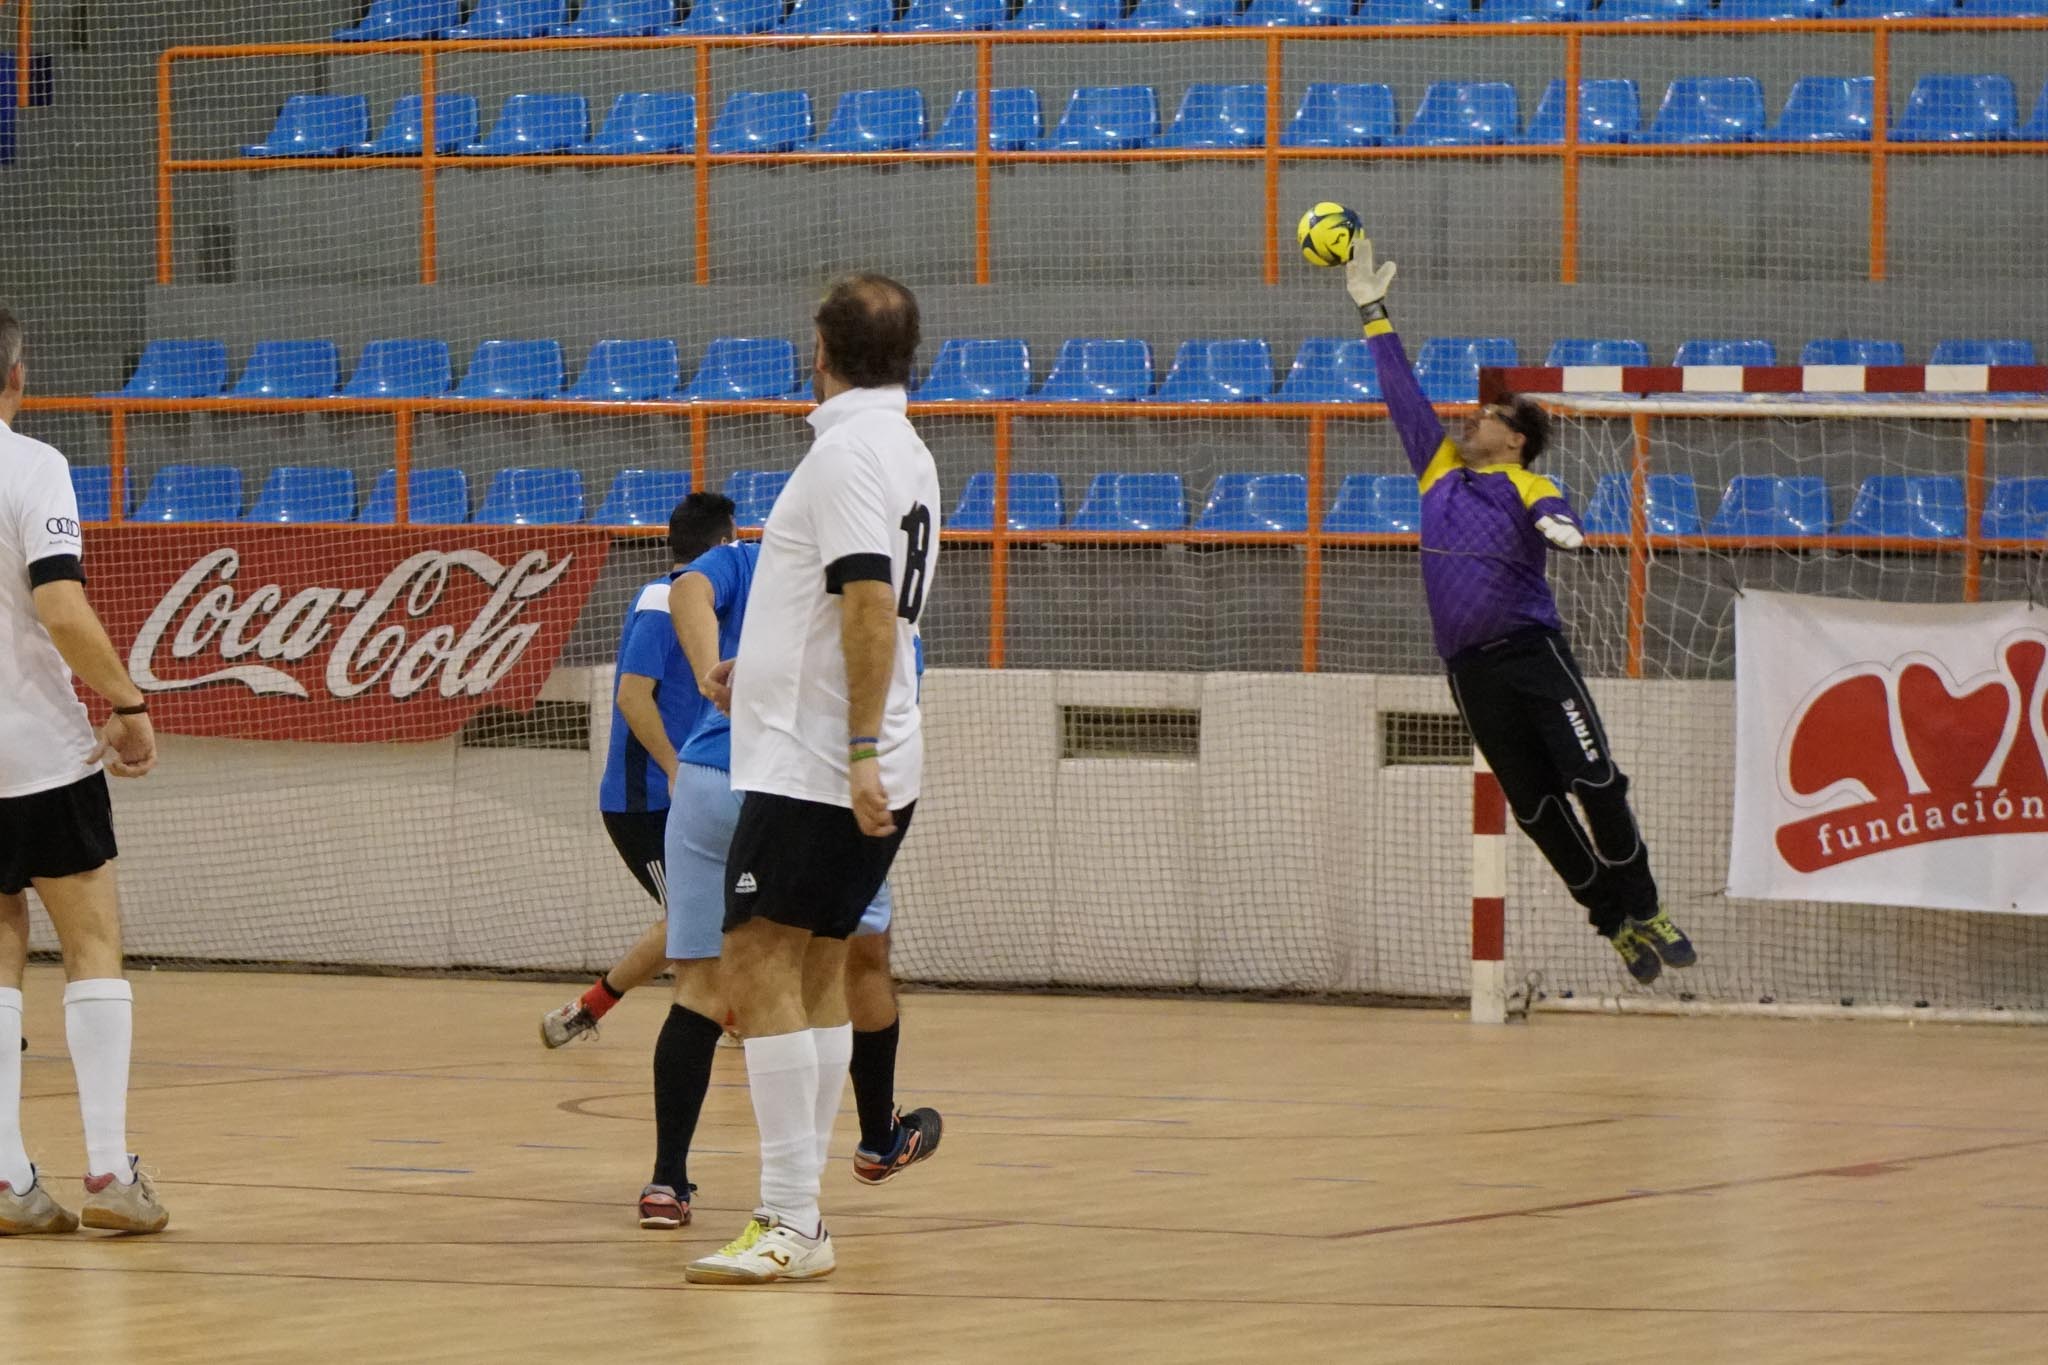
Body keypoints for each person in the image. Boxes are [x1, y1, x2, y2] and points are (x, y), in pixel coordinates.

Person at [1341, 243, 1698, 985]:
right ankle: (1614, 922)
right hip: (1469, 673)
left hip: (1534, 654)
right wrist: (1373, 313)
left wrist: (1563, 526)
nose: (1474, 419)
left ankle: (1648, 904)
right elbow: (1401, 393)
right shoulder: (1439, 473)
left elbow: (1554, 508)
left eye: (1492, 417)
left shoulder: (1526, 484)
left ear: (1518, 440)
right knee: (1537, 811)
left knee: (1595, 781)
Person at [685, 273, 939, 1285]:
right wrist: (770, 665)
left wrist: (860, 748)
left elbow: (871, 608)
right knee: (821, 965)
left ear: (817, 348)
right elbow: (847, 606)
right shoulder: (903, 446)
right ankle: (799, 1217)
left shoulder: (843, 454)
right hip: (851, 743)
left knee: (752, 959)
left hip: (823, 760)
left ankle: (789, 1219)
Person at [638, 526, 938, 1232]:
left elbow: (685, 588)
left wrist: (716, 672)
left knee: (701, 988)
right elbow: (885, 707)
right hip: (800, 787)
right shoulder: (879, 602)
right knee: (843, 963)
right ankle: (864, 1145)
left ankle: (667, 1180)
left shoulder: (744, 560)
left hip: (707, 778)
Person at [0, 308, 169, 1235]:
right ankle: (108, 1173)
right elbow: (59, 603)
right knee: (91, 939)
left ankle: (4, 1181)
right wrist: (130, 705)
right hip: (33, 747)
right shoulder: (31, 465)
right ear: (17, 375)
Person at [538, 493, 738, 1049]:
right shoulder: (661, 600)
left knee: (720, 914)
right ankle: (590, 1008)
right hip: (645, 799)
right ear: (724, 543)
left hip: (691, 792)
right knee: (688, 920)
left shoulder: (714, 608)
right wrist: (675, 769)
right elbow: (632, 696)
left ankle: (729, 1012)